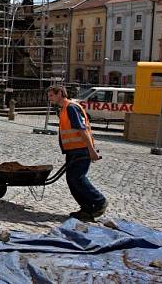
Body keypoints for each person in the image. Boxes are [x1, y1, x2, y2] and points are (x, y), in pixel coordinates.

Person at [47, 85, 108, 221]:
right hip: (73, 150)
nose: (49, 98)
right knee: (72, 180)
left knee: (77, 178)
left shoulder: (71, 107)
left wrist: (91, 150)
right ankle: (87, 209)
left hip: (81, 149)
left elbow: (82, 130)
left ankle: (99, 202)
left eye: (51, 95)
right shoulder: (64, 109)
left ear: (60, 94)